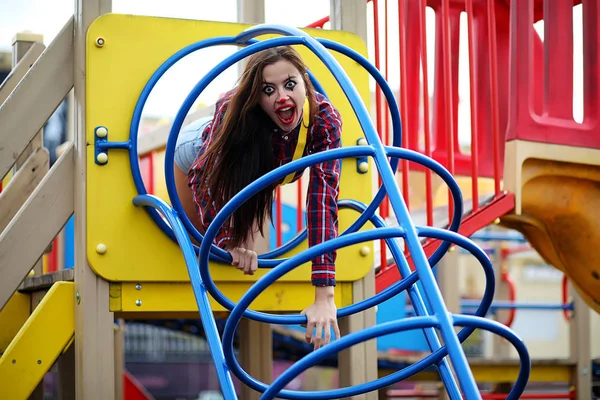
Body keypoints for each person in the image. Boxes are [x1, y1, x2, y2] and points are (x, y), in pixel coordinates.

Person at [173, 45, 342, 350]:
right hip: (198, 151)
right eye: (268, 89)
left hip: (258, 174)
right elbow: (204, 176)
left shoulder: (324, 121)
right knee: (200, 244)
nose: (282, 96)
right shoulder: (236, 110)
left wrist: (324, 296)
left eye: (290, 84)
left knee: (242, 230)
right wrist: (226, 238)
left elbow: (322, 200)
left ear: (305, 82)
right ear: (256, 96)